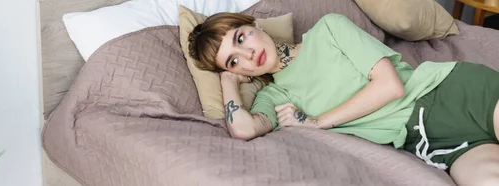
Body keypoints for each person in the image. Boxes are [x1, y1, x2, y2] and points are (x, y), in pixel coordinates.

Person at [187, 13, 499, 185]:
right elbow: (243, 129)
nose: (248, 54)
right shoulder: (275, 96)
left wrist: (317, 122)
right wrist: (228, 83)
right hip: (432, 143)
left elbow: (391, 86)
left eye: (241, 38)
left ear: (255, 24)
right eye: (233, 60)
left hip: (452, 93)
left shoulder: (329, 29)